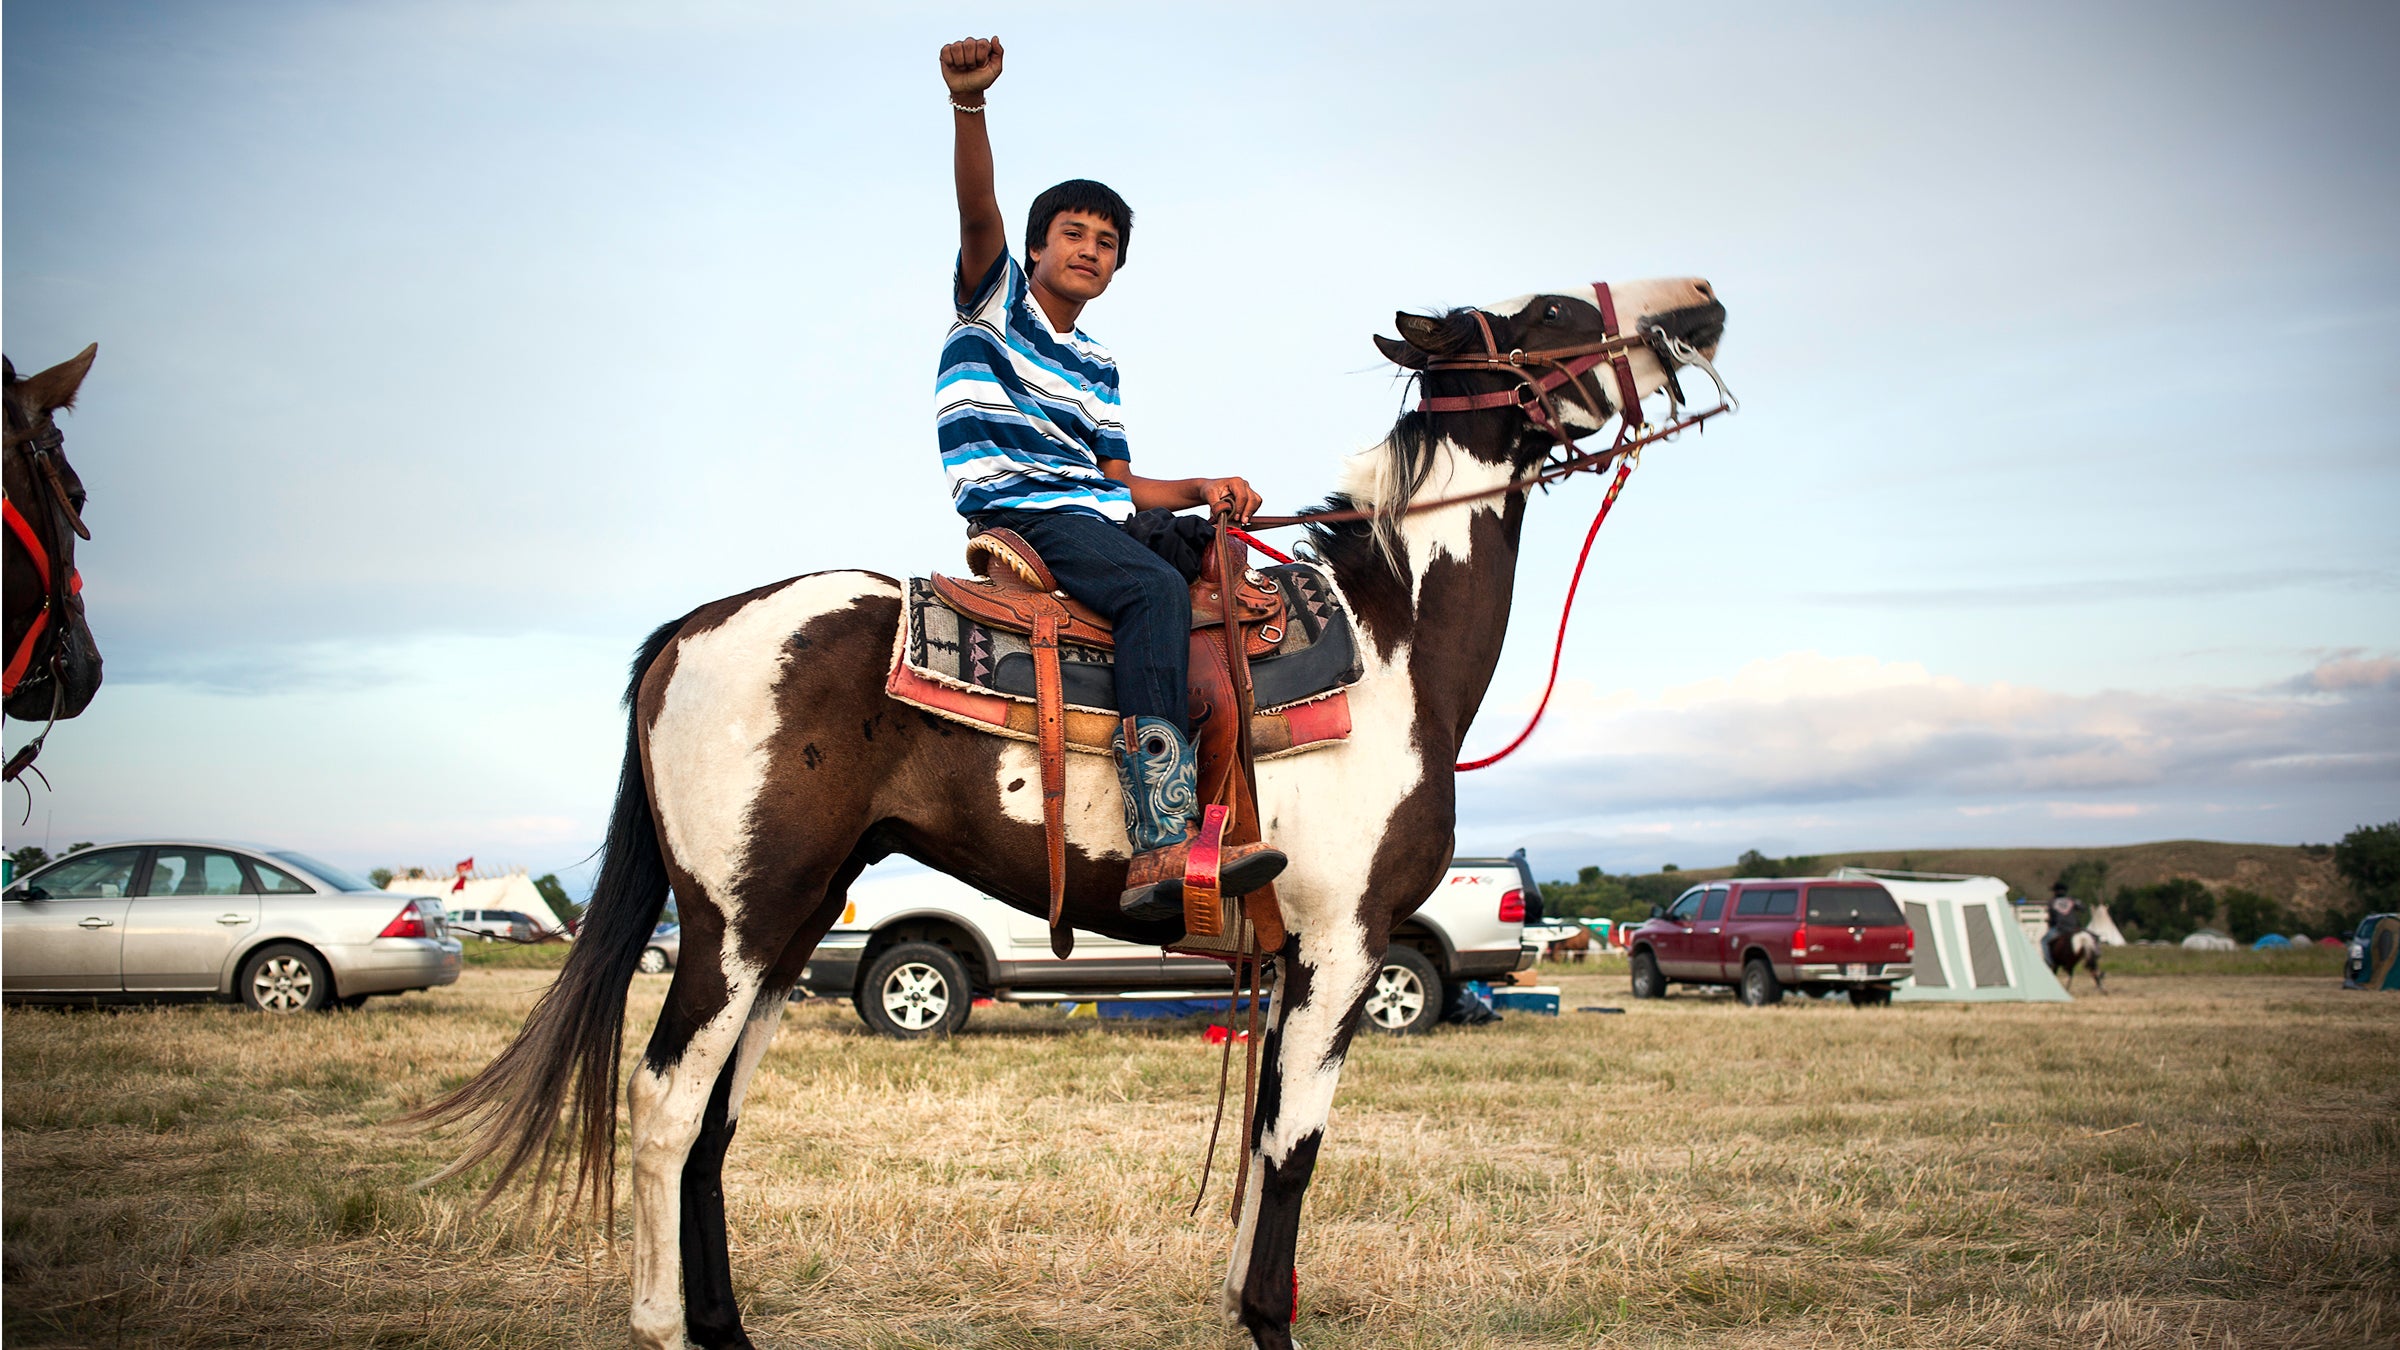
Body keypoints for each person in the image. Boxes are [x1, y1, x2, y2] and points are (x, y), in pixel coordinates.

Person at [935, 36, 1284, 922]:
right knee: (1152, 592)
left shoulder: (1098, 362)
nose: (1090, 249)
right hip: (1026, 509)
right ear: (1039, 247)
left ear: (1118, 266)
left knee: (1231, 565)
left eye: (1107, 242)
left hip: (1098, 509)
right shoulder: (996, 300)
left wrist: (1208, 487)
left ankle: (1241, 798)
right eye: (1074, 235)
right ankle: (1157, 834)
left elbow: (1123, 484)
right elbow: (978, 211)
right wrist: (969, 105)